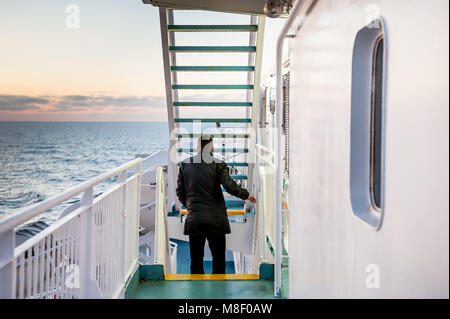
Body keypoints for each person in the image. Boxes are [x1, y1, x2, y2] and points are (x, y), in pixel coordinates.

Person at [176, 134, 256, 274]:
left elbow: (180, 192)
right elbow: (229, 186)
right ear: (212, 147)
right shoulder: (218, 164)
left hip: (194, 219)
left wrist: (191, 206)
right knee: (219, 260)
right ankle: (218, 292)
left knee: (196, 262)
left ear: (198, 147)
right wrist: (246, 195)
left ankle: (196, 292)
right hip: (216, 220)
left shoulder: (185, 164)